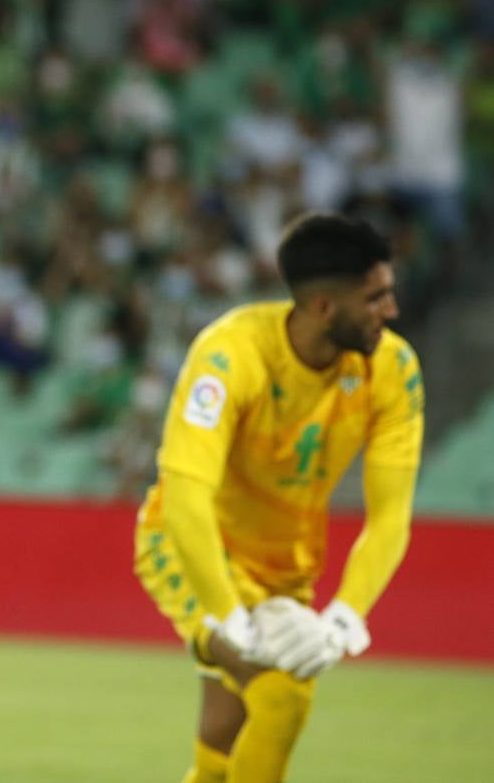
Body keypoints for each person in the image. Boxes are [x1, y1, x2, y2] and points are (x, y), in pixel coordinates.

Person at [134, 213, 423, 782]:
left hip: (285, 569)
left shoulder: (393, 369)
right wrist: (228, 615)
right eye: (376, 298)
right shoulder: (230, 354)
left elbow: (390, 513)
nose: (391, 312)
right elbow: (189, 495)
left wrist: (345, 616)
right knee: (281, 698)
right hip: (192, 549)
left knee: (226, 732)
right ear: (323, 307)